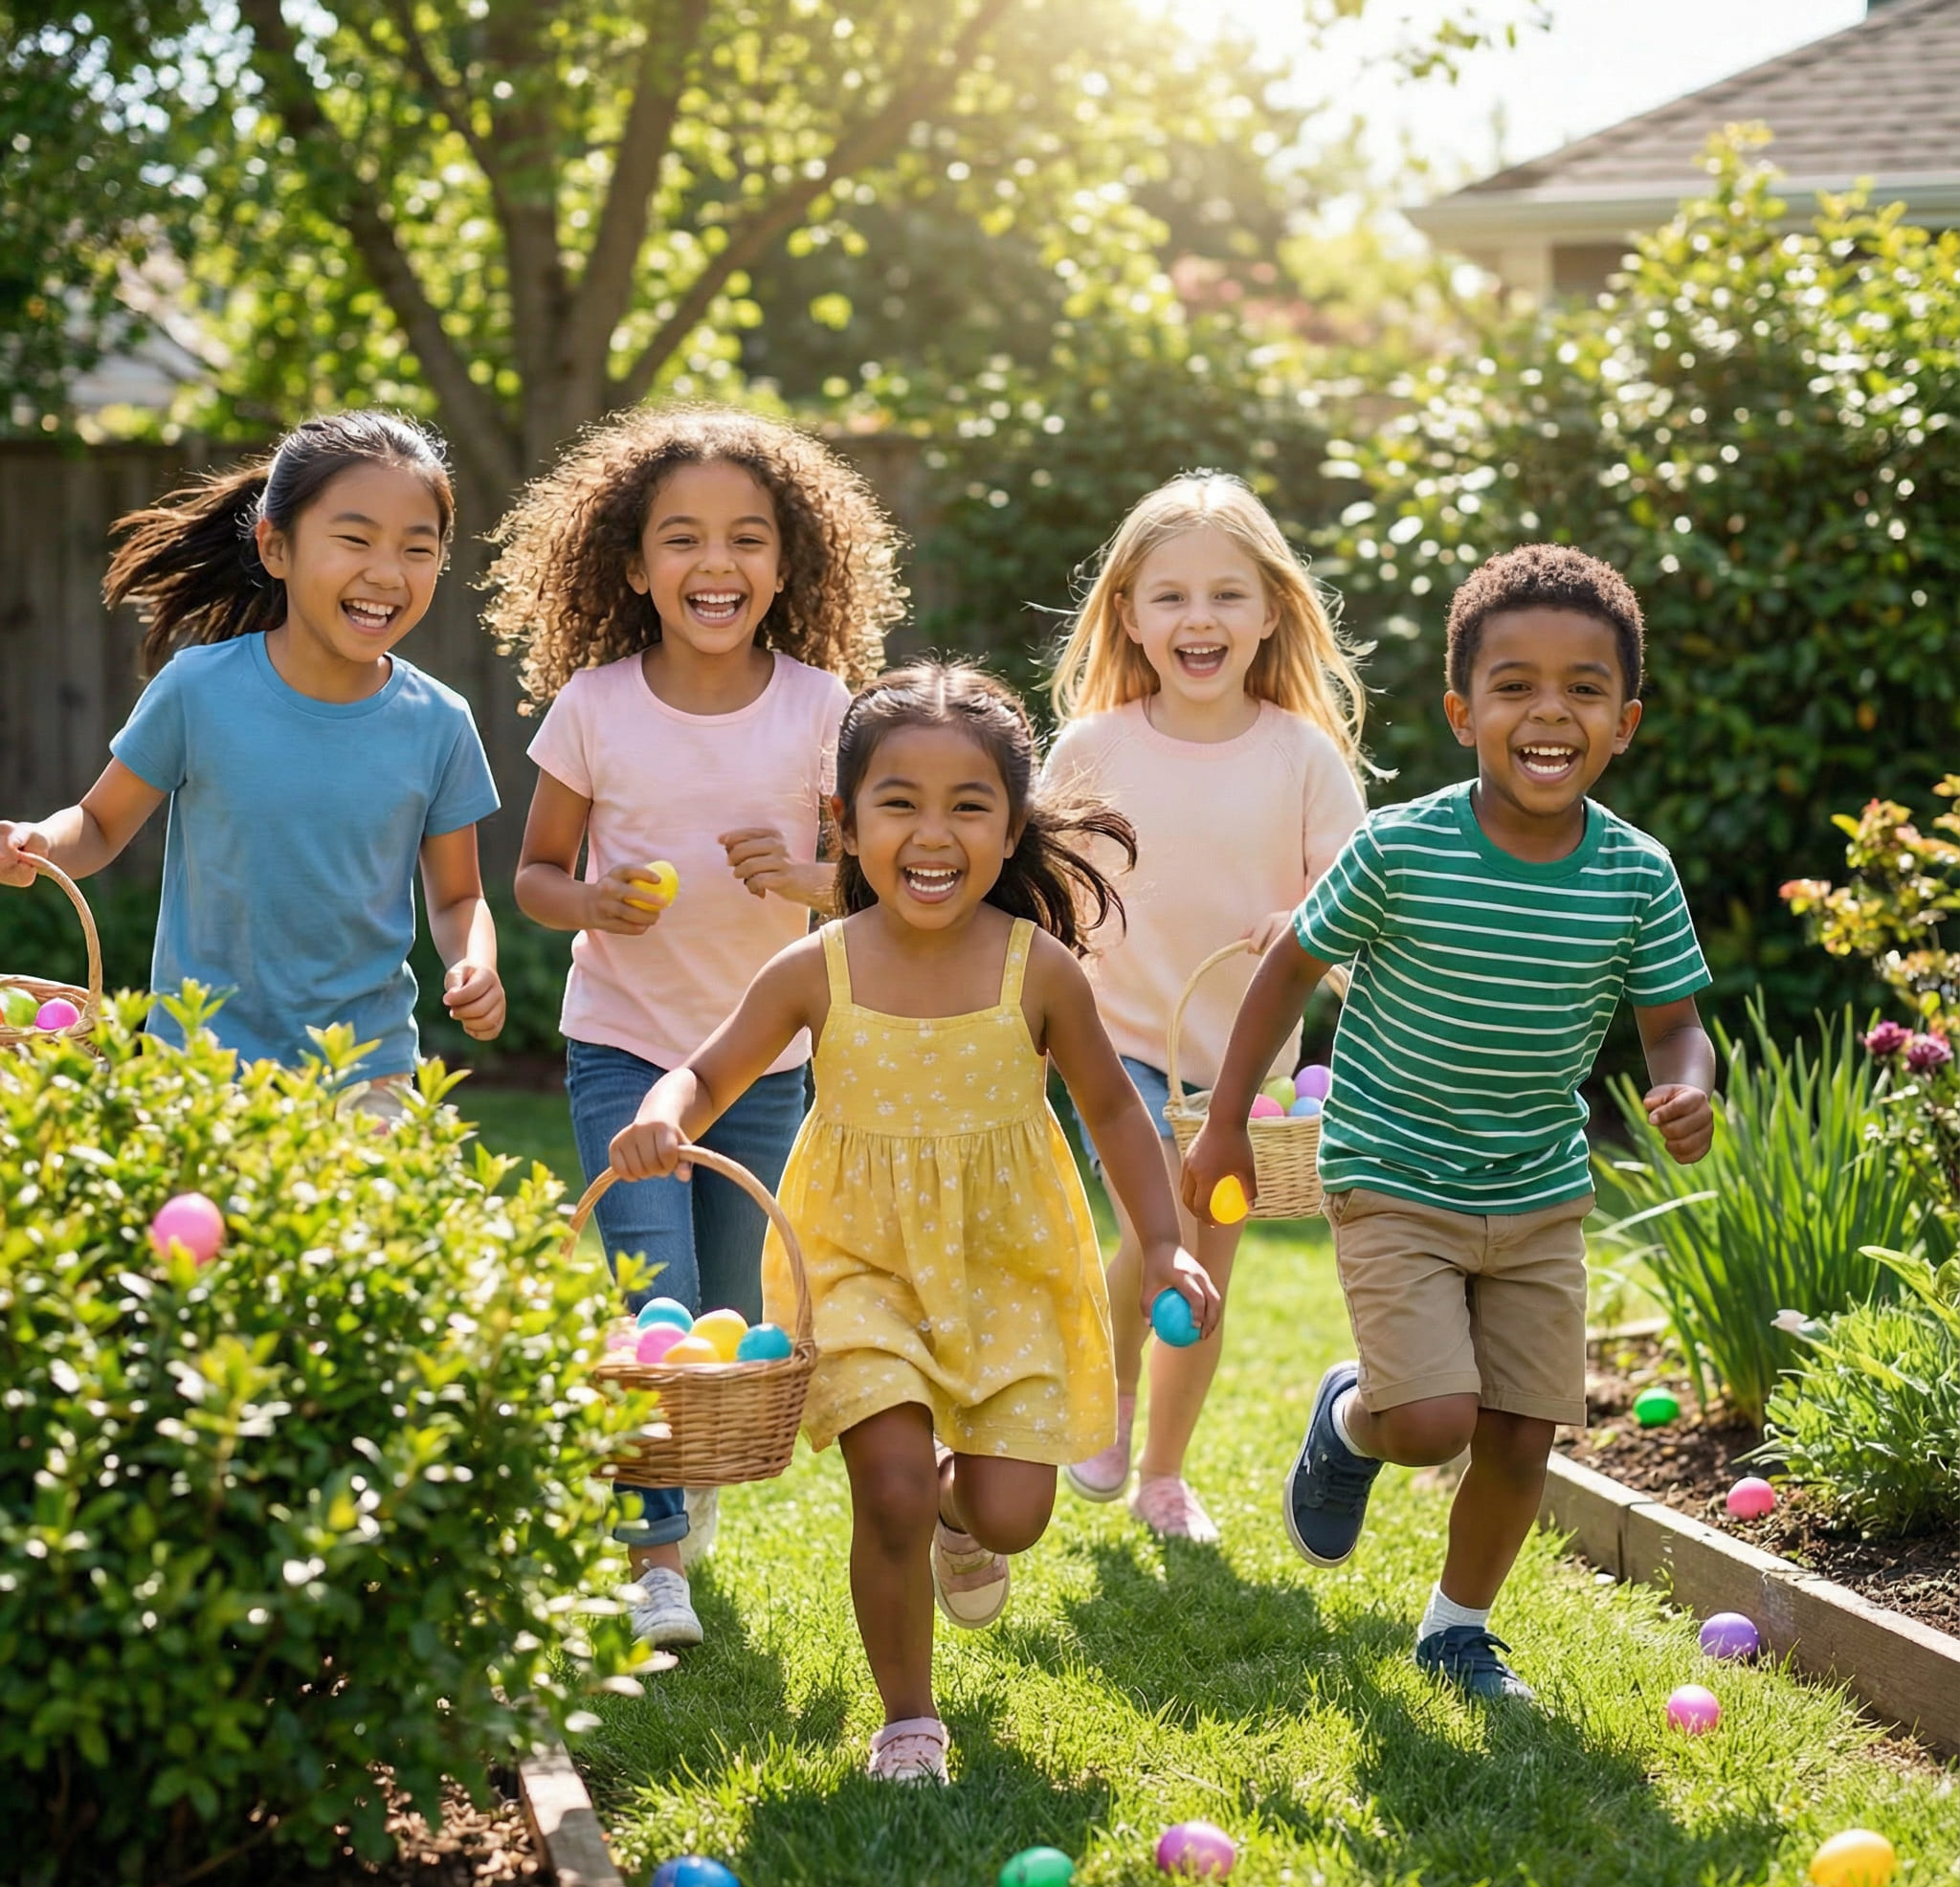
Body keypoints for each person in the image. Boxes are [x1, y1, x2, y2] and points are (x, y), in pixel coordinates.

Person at [606, 664, 1219, 1783]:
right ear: (842, 822)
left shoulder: (1039, 971)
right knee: (883, 1483)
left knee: (1013, 1510)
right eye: (898, 802)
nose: (930, 832)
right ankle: (907, 1719)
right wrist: (660, 1113)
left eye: (966, 804)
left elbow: (1116, 1112)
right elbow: (704, 1071)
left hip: (1008, 1268)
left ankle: (962, 1516)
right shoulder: (814, 968)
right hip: (860, 1264)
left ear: (1011, 825)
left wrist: (1166, 1237)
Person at [1182, 543, 1716, 1702]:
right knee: (1430, 1421)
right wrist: (1224, 1122)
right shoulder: (1400, 846)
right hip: (1389, 1167)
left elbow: (1673, 1021)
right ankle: (1350, 1418)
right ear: (1460, 708)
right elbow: (1284, 969)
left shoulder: (1635, 873)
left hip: (1537, 1185)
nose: (1547, 710)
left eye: (1582, 687)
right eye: (1513, 682)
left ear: (1622, 722)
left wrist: (1689, 1082)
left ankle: (1455, 1628)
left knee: (1522, 1431)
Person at [487, 405, 902, 1653]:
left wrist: (810, 876)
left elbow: (874, 883)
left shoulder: (826, 707)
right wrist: (590, 901)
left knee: (730, 1298)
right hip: (624, 1044)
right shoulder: (595, 710)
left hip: (767, 1062)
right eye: (681, 539)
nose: (713, 565)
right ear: (631, 564)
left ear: (788, 564)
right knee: (650, 1285)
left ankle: (685, 1478)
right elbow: (536, 877)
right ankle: (651, 1553)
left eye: (744, 539)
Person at [0, 411, 504, 1112]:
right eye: (354, 539)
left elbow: (458, 897)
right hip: (201, 1064)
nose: (387, 572)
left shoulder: (440, 722)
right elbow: (99, 823)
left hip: (366, 1071)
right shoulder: (198, 690)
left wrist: (475, 961)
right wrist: (40, 842)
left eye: (418, 549)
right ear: (276, 546)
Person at [1043, 473, 1368, 1543]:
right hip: (1116, 1041)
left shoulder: (1300, 756)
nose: (1198, 619)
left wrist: (1303, 928)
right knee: (1160, 1219)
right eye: (1169, 595)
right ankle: (1109, 1393)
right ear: (1128, 615)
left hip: (1242, 1071)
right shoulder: (1092, 748)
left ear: (1270, 610)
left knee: (1205, 1263)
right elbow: (1041, 896)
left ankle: (1162, 1472)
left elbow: (1355, 910)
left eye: (1226, 595)